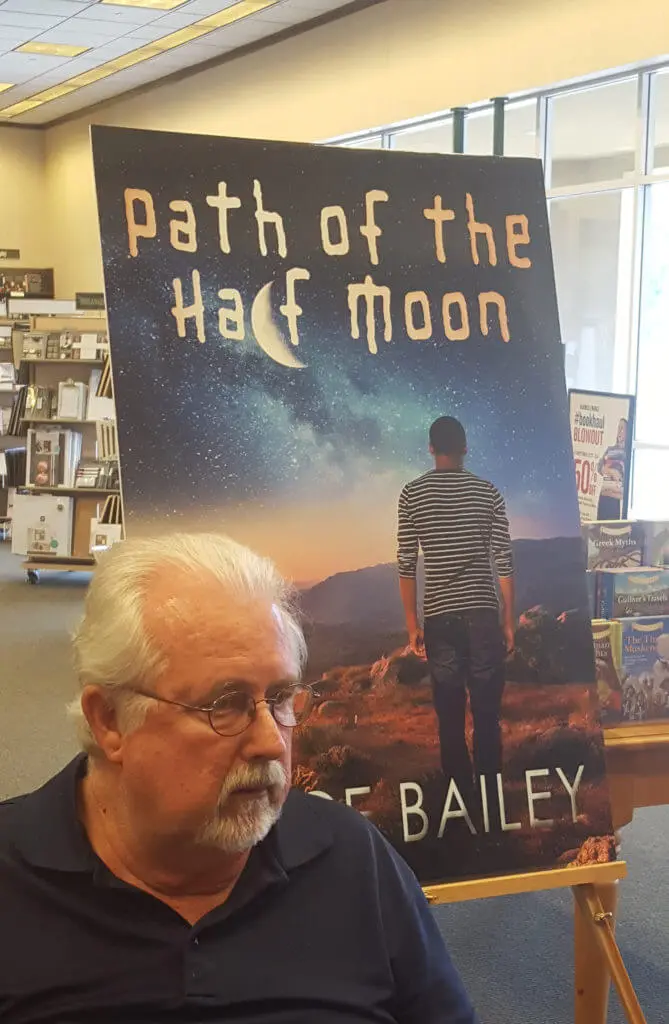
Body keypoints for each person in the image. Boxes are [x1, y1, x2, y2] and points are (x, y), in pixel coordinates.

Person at [0, 532, 478, 1024]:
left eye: (281, 698)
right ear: (110, 721)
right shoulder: (14, 879)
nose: (272, 742)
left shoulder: (352, 857)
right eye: (224, 705)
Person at [397, 417, 515, 799]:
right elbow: (505, 561)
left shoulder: (411, 495)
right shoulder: (488, 493)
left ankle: (460, 801)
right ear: (465, 448)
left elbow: (405, 562)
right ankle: (490, 800)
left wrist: (412, 625)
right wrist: (508, 622)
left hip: (439, 618)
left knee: (449, 717)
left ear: (431, 449)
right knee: (486, 714)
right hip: (483, 615)